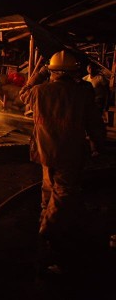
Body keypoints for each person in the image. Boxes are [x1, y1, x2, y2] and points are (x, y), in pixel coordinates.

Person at [19, 50, 106, 276]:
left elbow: (23, 93)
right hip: (70, 153)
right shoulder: (83, 92)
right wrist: (98, 144)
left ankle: (44, 225)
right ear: (74, 72)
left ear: (53, 71)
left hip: (44, 152)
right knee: (64, 193)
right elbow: (94, 123)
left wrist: (38, 73)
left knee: (48, 189)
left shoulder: (39, 91)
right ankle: (47, 234)